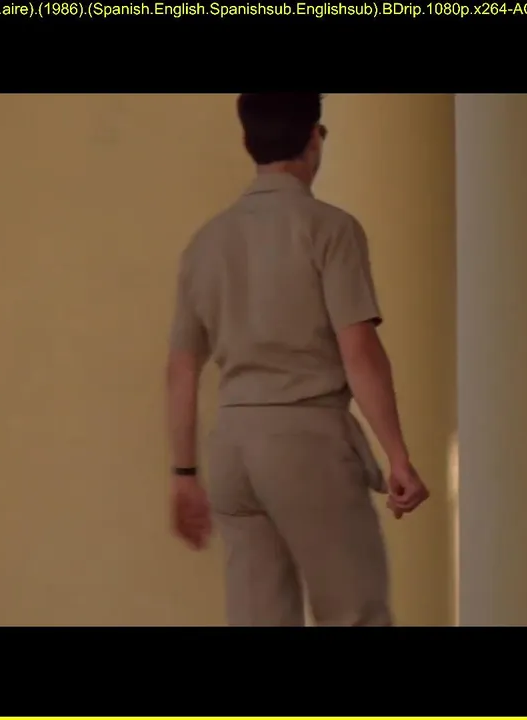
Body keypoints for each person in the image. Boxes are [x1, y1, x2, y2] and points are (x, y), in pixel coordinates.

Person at [164, 93, 429, 626]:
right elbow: (359, 349)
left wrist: (185, 474)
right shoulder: (329, 229)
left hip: (233, 448)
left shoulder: (206, 243)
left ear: (249, 143)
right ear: (314, 138)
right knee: (354, 612)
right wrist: (397, 454)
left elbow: (182, 369)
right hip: (306, 439)